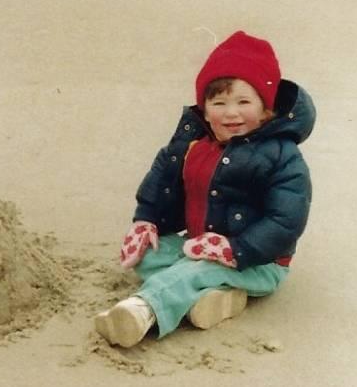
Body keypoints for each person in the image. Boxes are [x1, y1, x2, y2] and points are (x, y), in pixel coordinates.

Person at [94, 31, 313, 347]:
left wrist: (234, 251)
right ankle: (211, 300)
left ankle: (143, 311)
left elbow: (286, 221)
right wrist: (146, 222)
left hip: (258, 262)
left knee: (198, 268)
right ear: (205, 110)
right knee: (150, 256)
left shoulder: (282, 156)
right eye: (219, 102)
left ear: (266, 110)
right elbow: (161, 184)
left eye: (243, 102)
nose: (231, 112)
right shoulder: (194, 146)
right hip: (200, 245)